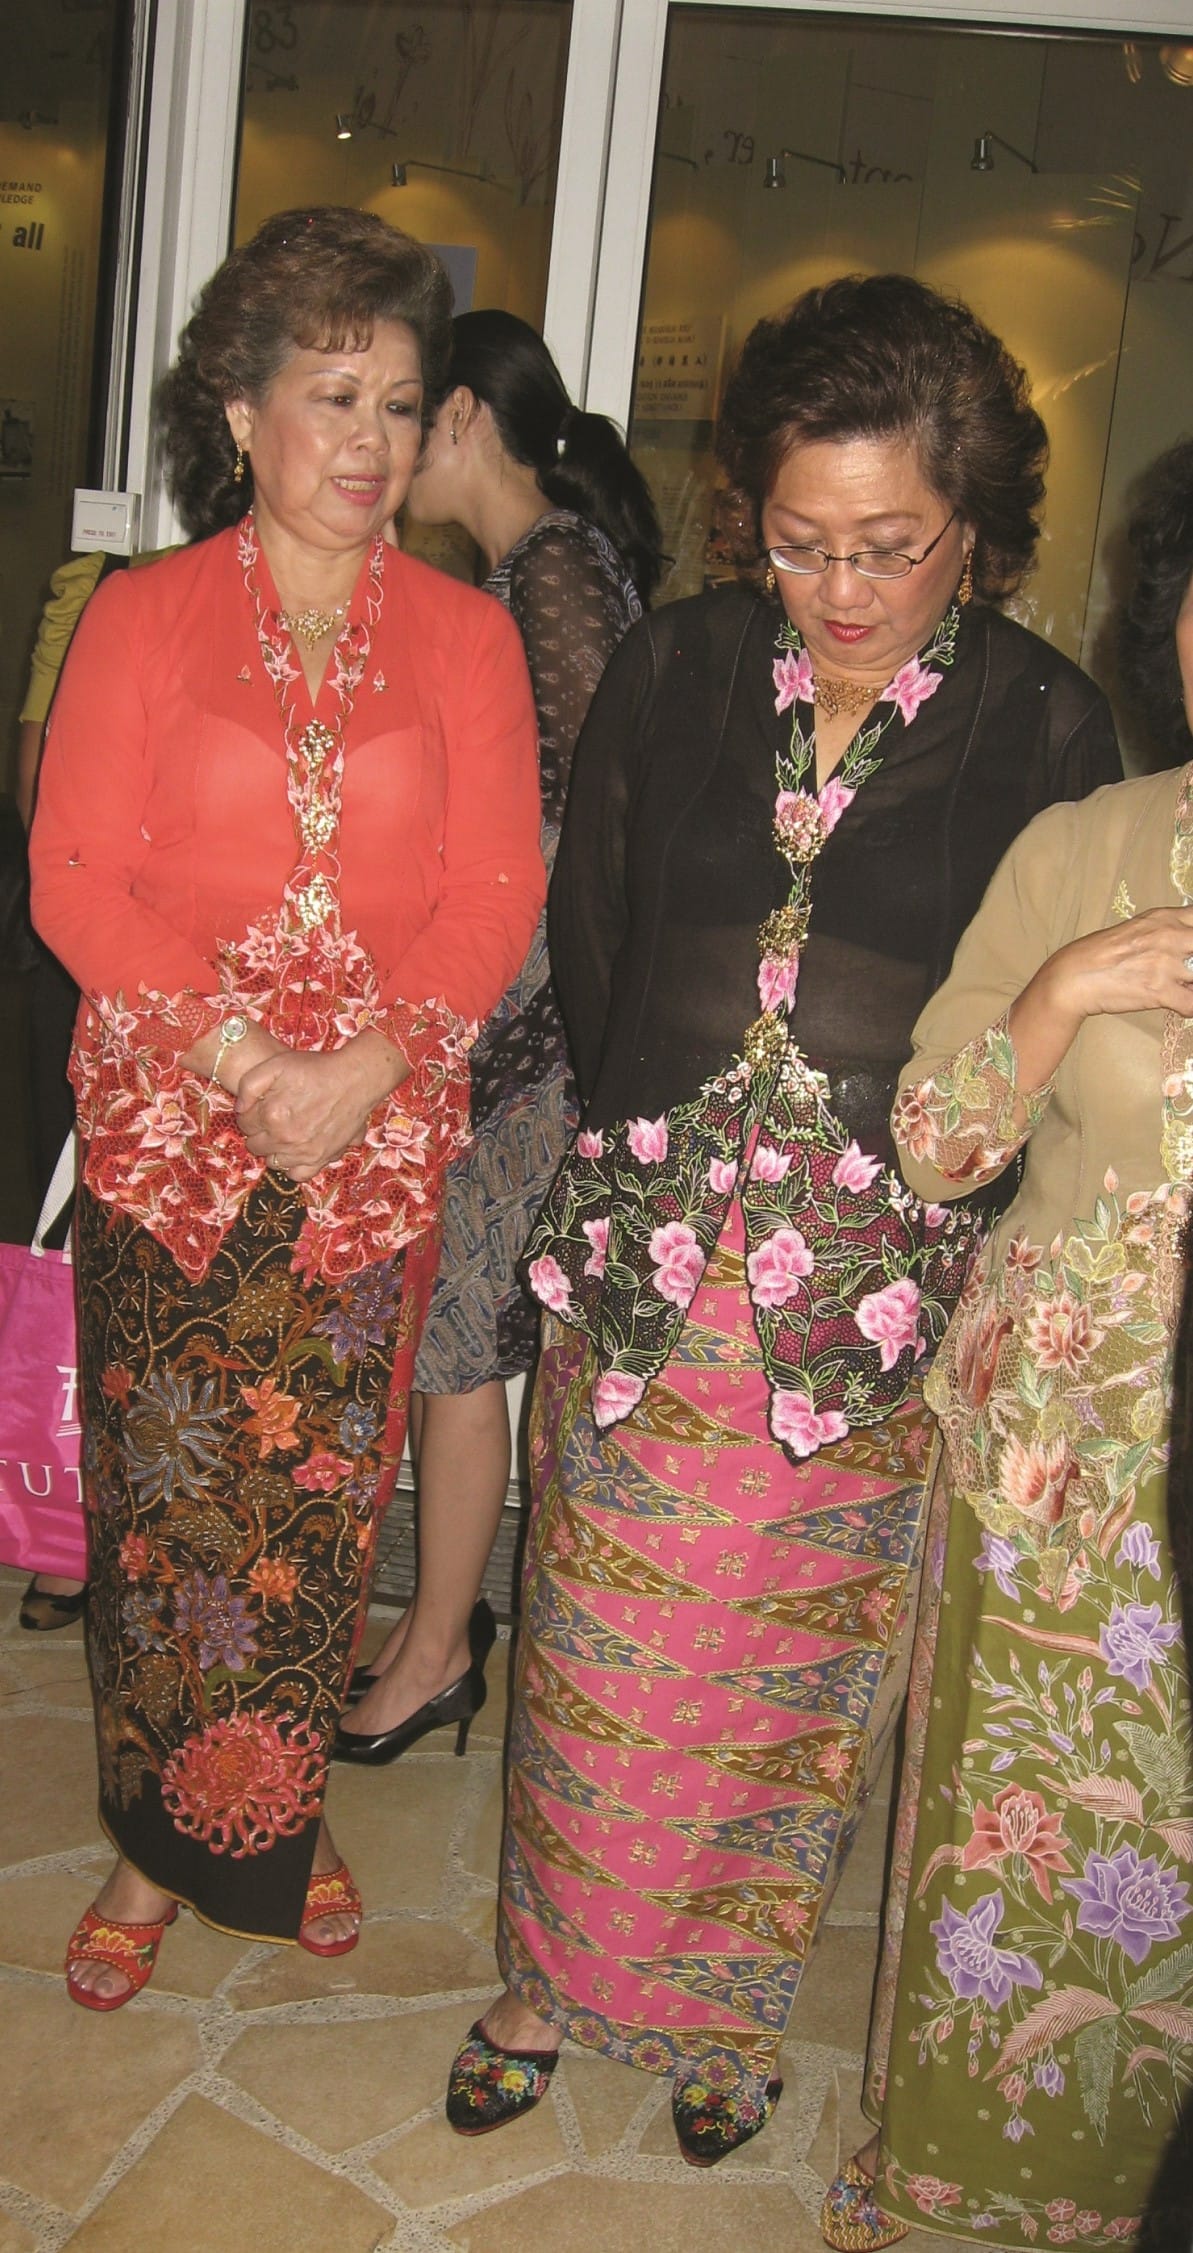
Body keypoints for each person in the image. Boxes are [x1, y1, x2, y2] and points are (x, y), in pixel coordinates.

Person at [440, 271, 1122, 2162]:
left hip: (867, 1295)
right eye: (800, 540)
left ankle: (730, 2008)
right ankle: (548, 1978)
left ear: (970, 523)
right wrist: (657, 1134)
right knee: (590, 1647)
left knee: (782, 1692)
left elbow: (1033, 1018)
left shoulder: (1046, 725)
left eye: (888, 548)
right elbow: (600, 935)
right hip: (656, 1263)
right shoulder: (674, 662)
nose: (838, 586)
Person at [28, 206, 544, 2007]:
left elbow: (495, 894)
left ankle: (280, 1798)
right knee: (177, 1522)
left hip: (371, 1146)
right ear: (238, 411)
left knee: (320, 1508)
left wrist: (372, 1065)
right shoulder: (143, 615)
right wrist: (247, 1061)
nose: (371, 443)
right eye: (332, 396)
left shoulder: (468, 638)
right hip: (181, 1136)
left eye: (402, 405)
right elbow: (71, 877)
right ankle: (159, 1848)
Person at [824, 437, 1193, 2251]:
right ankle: (967, 2169)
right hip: (1066, 1452)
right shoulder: (1084, 847)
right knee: (1027, 1827)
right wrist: (1065, 992)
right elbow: (937, 1144)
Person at [334, 310, 661, 1764]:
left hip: (531, 1043)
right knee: (447, 1349)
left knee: (459, 1351)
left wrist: (483, 1031)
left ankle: (439, 1651)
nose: (391, 448)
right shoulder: (535, 573)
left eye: (409, 413)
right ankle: (429, 1631)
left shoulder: (551, 578)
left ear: (461, 415)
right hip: (518, 1029)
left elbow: (585, 836)